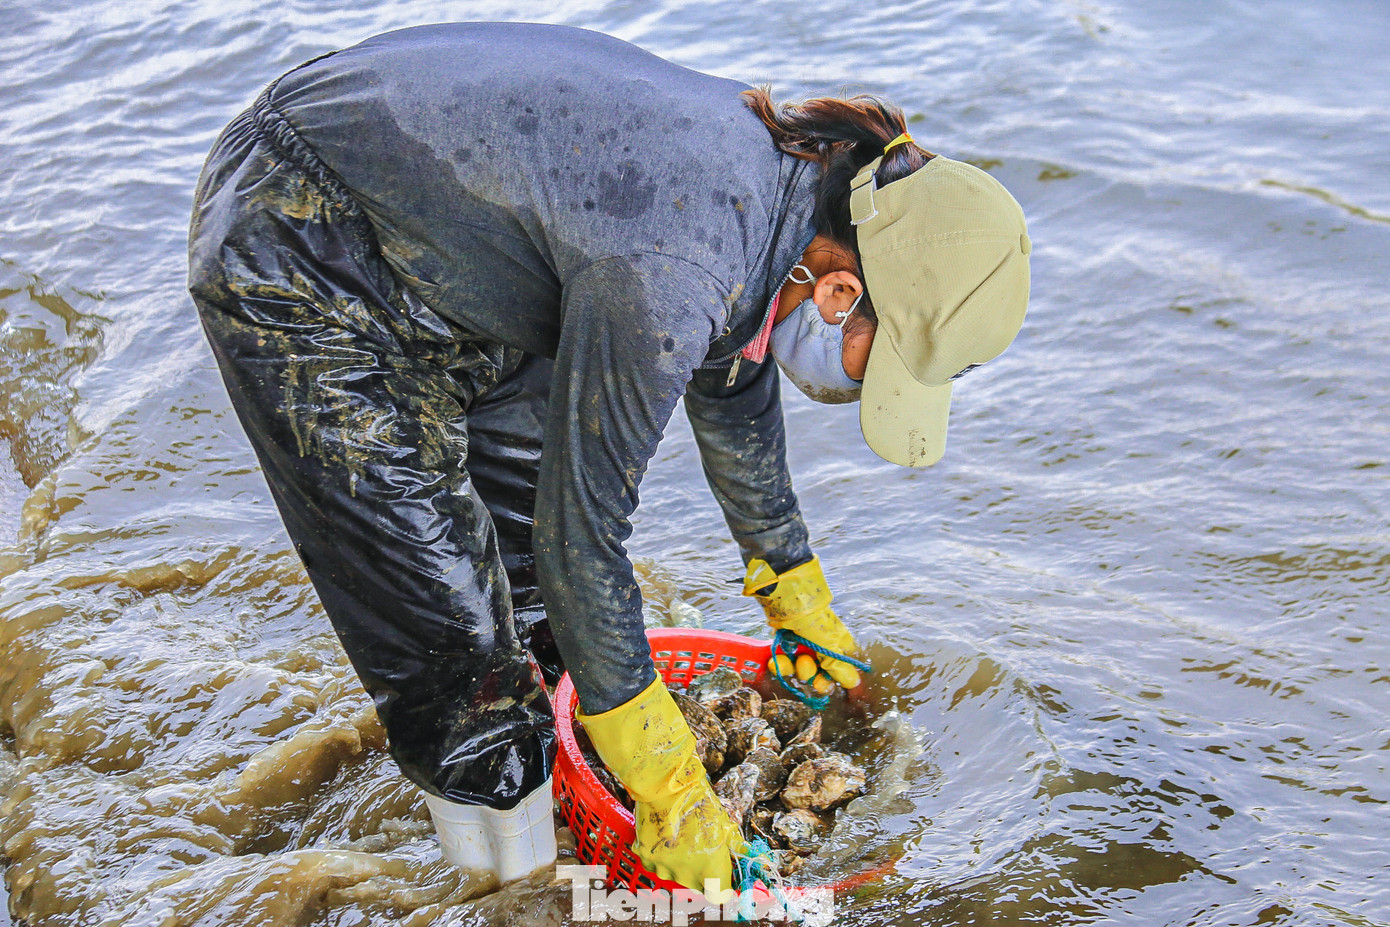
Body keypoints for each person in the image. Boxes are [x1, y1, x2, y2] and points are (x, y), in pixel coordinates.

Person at [187, 21, 1030, 896]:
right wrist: (670, 783)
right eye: (877, 360)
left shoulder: (796, 199)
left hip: (466, 245)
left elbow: (729, 375)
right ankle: (506, 894)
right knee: (463, 665)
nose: (861, 385)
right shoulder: (679, 256)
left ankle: (560, 836)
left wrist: (792, 583)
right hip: (301, 236)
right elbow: (583, 540)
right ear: (840, 288)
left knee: (546, 623)